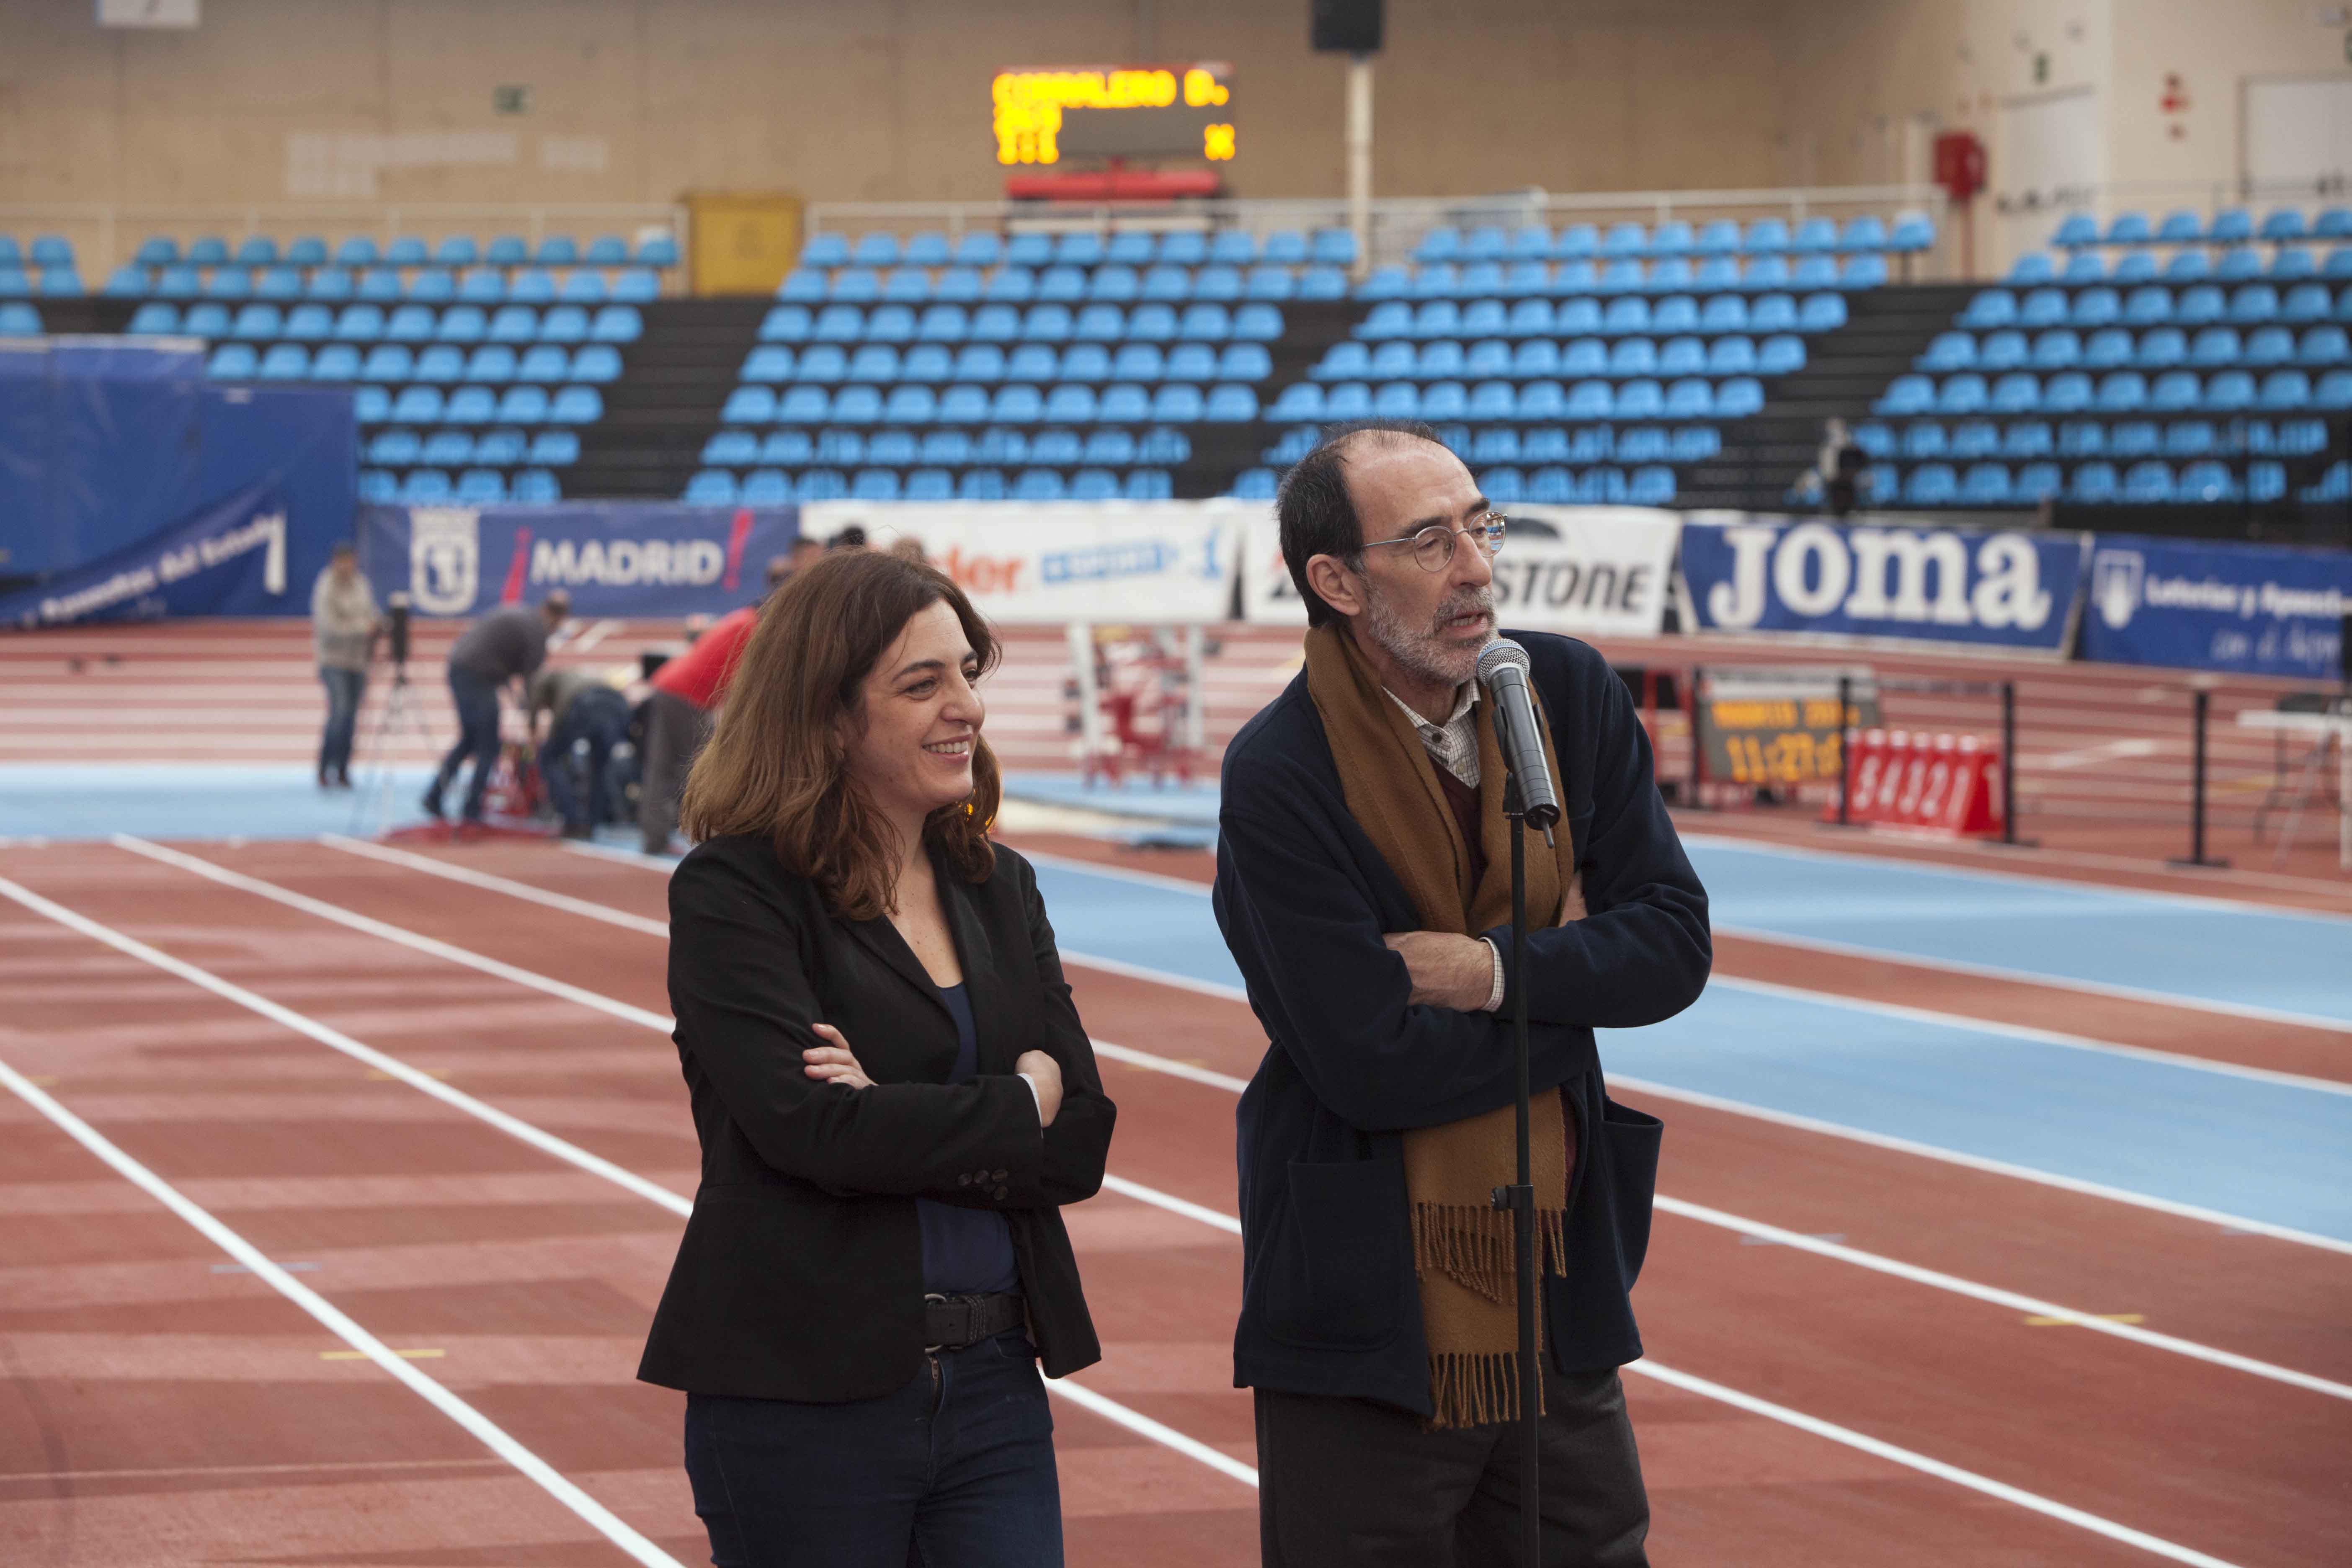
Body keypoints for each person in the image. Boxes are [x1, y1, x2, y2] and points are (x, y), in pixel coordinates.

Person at [1212, 421, 1711, 1567]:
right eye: (1431, 541)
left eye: (1480, 526)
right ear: (1336, 581)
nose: (1478, 566)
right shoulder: (1283, 773)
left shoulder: (1566, 694)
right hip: (1363, 1314)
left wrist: (1487, 973)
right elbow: (1366, 1064)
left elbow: (1675, 946)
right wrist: (1573, 1000)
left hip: (1556, 1286)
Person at [640, 548, 1116, 1566]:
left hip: (994, 1378)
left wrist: (907, 1110)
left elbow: (1081, 1137)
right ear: (828, 712)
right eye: (922, 681)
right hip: (802, 1390)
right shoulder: (737, 893)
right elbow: (813, 1129)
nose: (966, 708)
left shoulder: (1000, 885)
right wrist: (1017, 1099)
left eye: (967, 673)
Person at [637, 556, 791, 855]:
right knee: (712, 768)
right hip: (687, 697)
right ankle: (719, 840)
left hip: (668, 687)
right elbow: (743, 687)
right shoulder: (753, 630)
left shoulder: (739, 619)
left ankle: (654, 837)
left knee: (661, 768)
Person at [424, 590, 569, 826]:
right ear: (556, 620)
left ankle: (434, 796)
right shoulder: (536, 633)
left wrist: (522, 705)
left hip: (461, 668)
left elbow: (511, 671)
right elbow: (534, 684)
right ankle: (472, 809)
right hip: (476, 676)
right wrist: (532, 722)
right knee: (489, 746)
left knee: (470, 740)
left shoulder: (523, 615)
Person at [530, 664, 630, 839]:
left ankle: (573, 821)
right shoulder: (575, 677)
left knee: (548, 758)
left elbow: (539, 709)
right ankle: (592, 824)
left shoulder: (544, 680)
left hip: (585, 703)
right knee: (599, 768)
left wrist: (533, 732)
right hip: (618, 705)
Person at [310, 542, 379, 790]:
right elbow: (328, 629)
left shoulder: (361, 584)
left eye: (352, 561)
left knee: (351, 718)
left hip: (359, 662)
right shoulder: (325, 587)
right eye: (344, 561)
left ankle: (343, 770)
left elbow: (371, 614)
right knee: (339, 714)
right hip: (333, 661)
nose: (348, 566)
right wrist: (363, 629)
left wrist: (378, 625)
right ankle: (324, 767)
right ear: (335, 562)